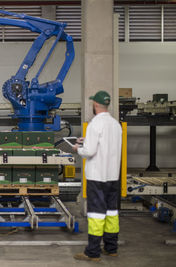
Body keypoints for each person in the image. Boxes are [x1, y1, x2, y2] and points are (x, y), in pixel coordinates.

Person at [72, 90, 122, 262]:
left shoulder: (95, 124)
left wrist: (78, 148)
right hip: (112, 176)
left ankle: (92, 252)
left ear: (95, 105)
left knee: (96, 215)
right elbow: (106, 144)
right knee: (111, 213)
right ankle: (111, 247)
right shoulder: (115, 125)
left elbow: (90, 151)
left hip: (97, 177)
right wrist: (86, 139)